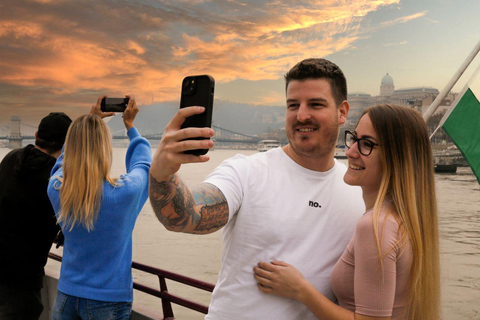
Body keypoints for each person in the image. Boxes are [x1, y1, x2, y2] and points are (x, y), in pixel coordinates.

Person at [149, 58, 365, 319]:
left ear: (343, 112)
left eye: (316, 104)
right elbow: (185, 216)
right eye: (293, 105)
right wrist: (162, 174)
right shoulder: (246, 171)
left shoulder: (360, 190)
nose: (302, 115)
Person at [254, 104, 441, 320]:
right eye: (354, 139)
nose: (350, 152)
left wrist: (300, 289)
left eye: (367, 145)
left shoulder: (375, 225)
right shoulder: (409, 220)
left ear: (396, 158)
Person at [47, 97, 152, 319]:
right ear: (105, 148)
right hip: (107, 301)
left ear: (71, 147)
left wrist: (89, 121)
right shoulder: (124, 192)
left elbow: (61, 164)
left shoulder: (57, 188)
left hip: (66, 295)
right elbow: (143, 165)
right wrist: (130, 126)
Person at [0, 112, 72, 320]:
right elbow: (71, 229)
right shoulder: (56, 179)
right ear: (68, 144)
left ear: (36, 134)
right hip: (21, 279)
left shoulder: (11, 158)